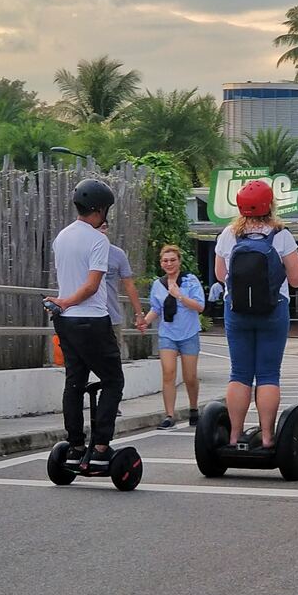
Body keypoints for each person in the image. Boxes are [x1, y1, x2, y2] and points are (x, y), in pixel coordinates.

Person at [214, 179, 298, 448]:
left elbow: (221, 276)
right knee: (268, 374)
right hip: (273, 310)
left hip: (236, 311)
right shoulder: (280, 234)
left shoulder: (228, 234)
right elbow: (295, 280)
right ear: (270, 205)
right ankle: (268, 437)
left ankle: (234, 436)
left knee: (240, 373)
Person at [50, 178, 124, 475]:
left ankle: (76, 446)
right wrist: (68, 301)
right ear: (100, 209)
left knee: (75, 382)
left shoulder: (62, 236)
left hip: (65, 322)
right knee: (113, 381)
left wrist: (63, 305)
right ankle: (101, 447)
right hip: (91, 320)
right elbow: (92, 286)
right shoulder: (98, 240)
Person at [142, 245, 205, 429]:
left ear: (179, 261)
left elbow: (200, 306)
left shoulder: (190, 281)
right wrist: (145, 321)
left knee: (190, 376)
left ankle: (193, 409)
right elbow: (156, 309)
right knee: (168, 373)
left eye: (172, 260)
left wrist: (180, 296)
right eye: (165, 261)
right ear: (161, 263)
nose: (169, 264)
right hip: (167, 334)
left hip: (189, 333)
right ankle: (169, 414)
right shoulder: (157, 284)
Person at [99, 222, 146, 356]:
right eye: (96, 228)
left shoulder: (117, 254)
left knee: (112, 359)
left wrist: (139, 314)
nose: (101, 231)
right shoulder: (82, 252)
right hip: (86, 316)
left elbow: (129, 285)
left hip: (111, 316)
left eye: (103, 227)